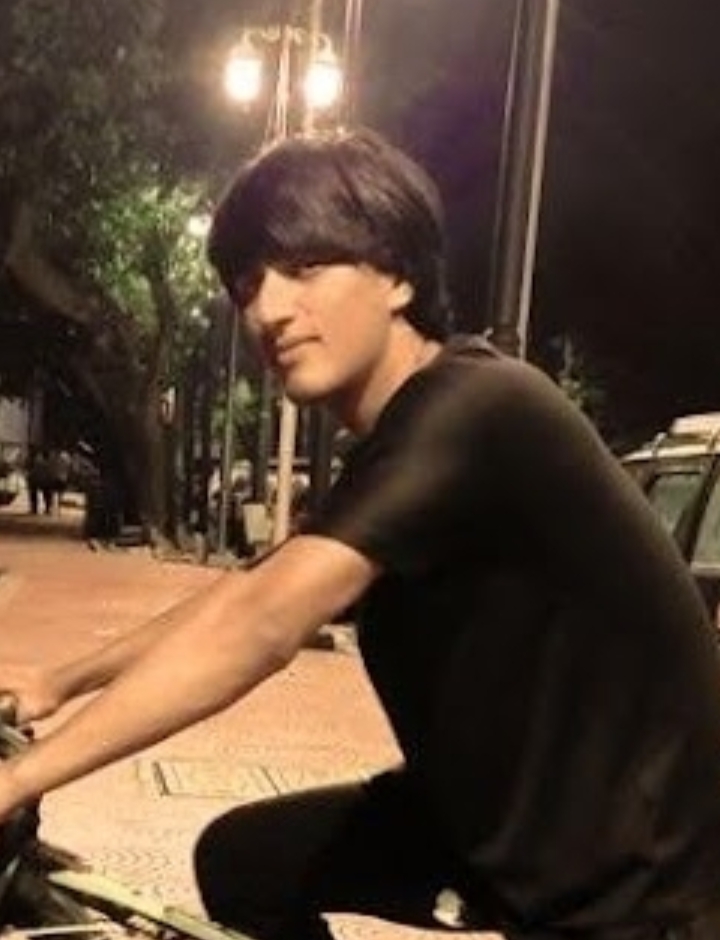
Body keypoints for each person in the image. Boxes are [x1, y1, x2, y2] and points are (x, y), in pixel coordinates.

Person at [2, 129, 720, 940]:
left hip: (641, 892)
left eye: (306, 267)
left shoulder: (478, 408)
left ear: (399, 277)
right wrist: (58, 682)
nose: (269, 309)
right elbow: (256, 588)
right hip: (480, 826)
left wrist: (21, 778)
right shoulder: (402, 441)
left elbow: (264, 625)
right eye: (248, 284)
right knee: (245, 864)